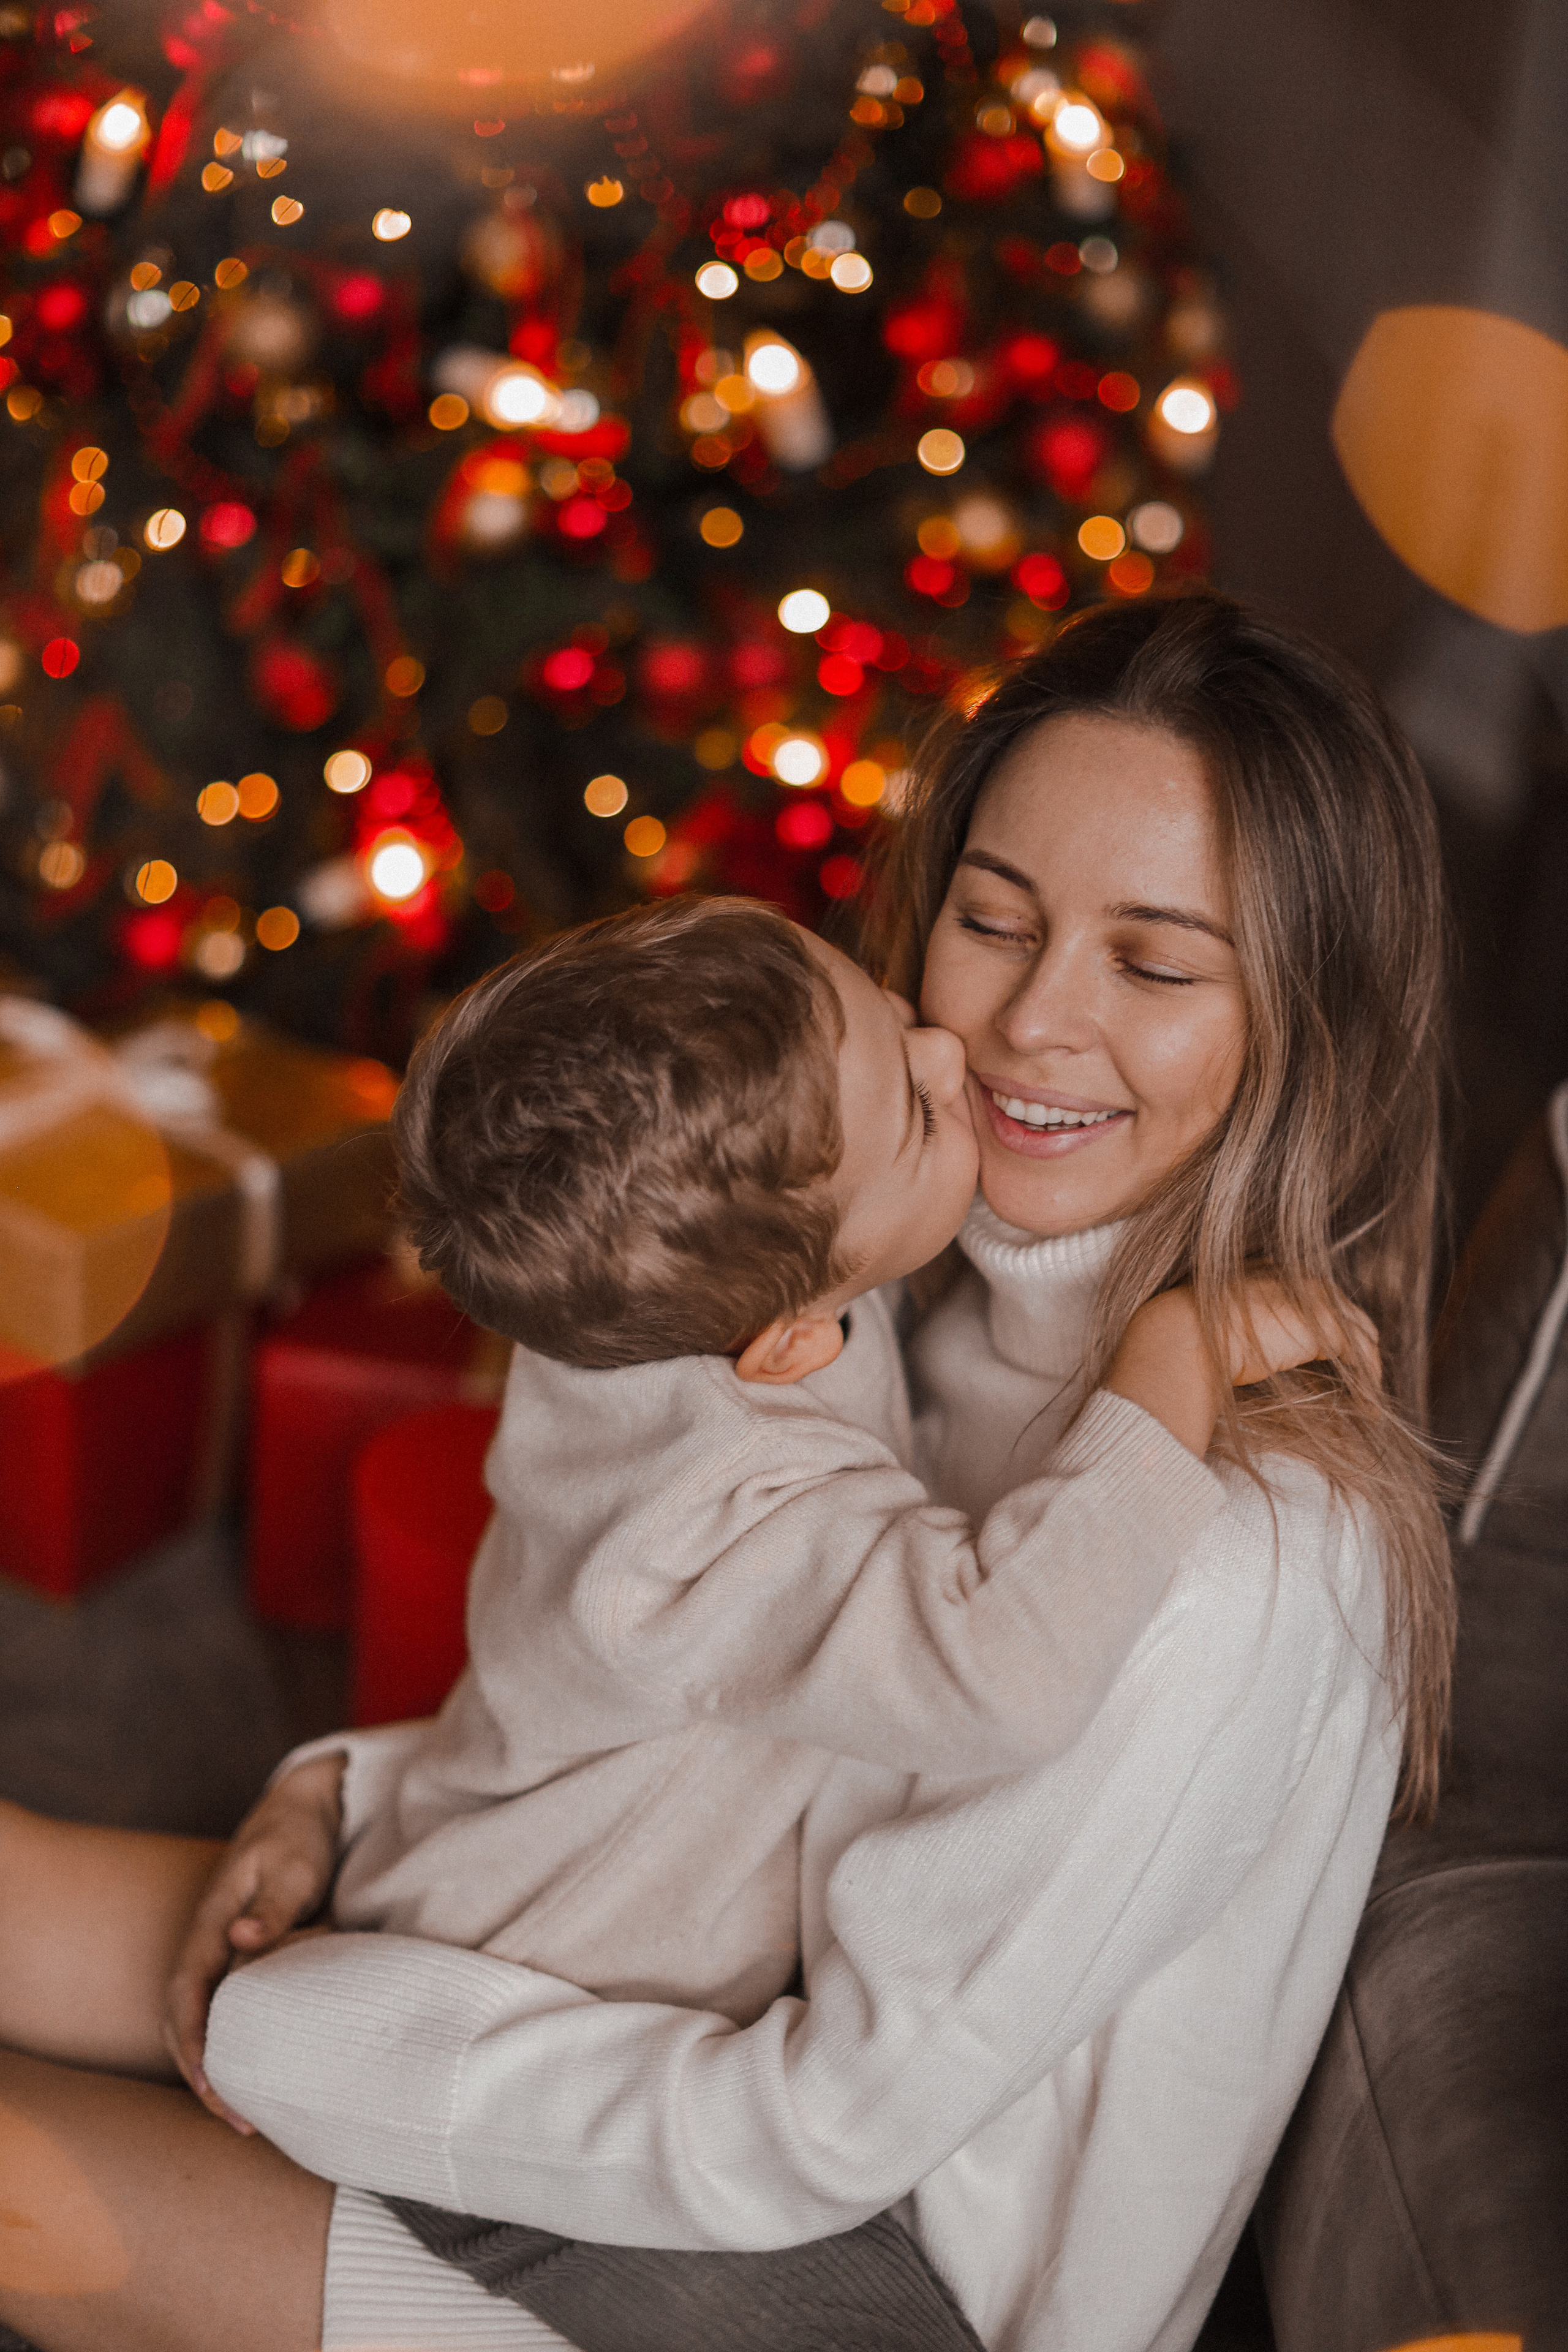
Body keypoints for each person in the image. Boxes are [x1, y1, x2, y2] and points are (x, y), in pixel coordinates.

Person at [0, 592, 1453, 2352]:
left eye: (1152, 965)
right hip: (655, 2000)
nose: (1015, 1031)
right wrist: (346, 1800)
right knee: (54, 1891)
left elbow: (807, 2133)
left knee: (30, 2181)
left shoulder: (1222, 1555)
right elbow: (697, 1684)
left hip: (829, 2274)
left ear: (1308, 1026)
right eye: (993, 922)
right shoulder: (876, 1284)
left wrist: (294, 2031)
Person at [266, 893, 1333, 2041]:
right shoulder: (716, 1520)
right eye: (921, 1119)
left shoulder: (643, 1287)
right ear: (786, 1345)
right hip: (522, 1993)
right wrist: (1176, 1356)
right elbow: (999, 1676)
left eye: (883, 1006)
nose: (941, 1050)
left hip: (463, 1829)